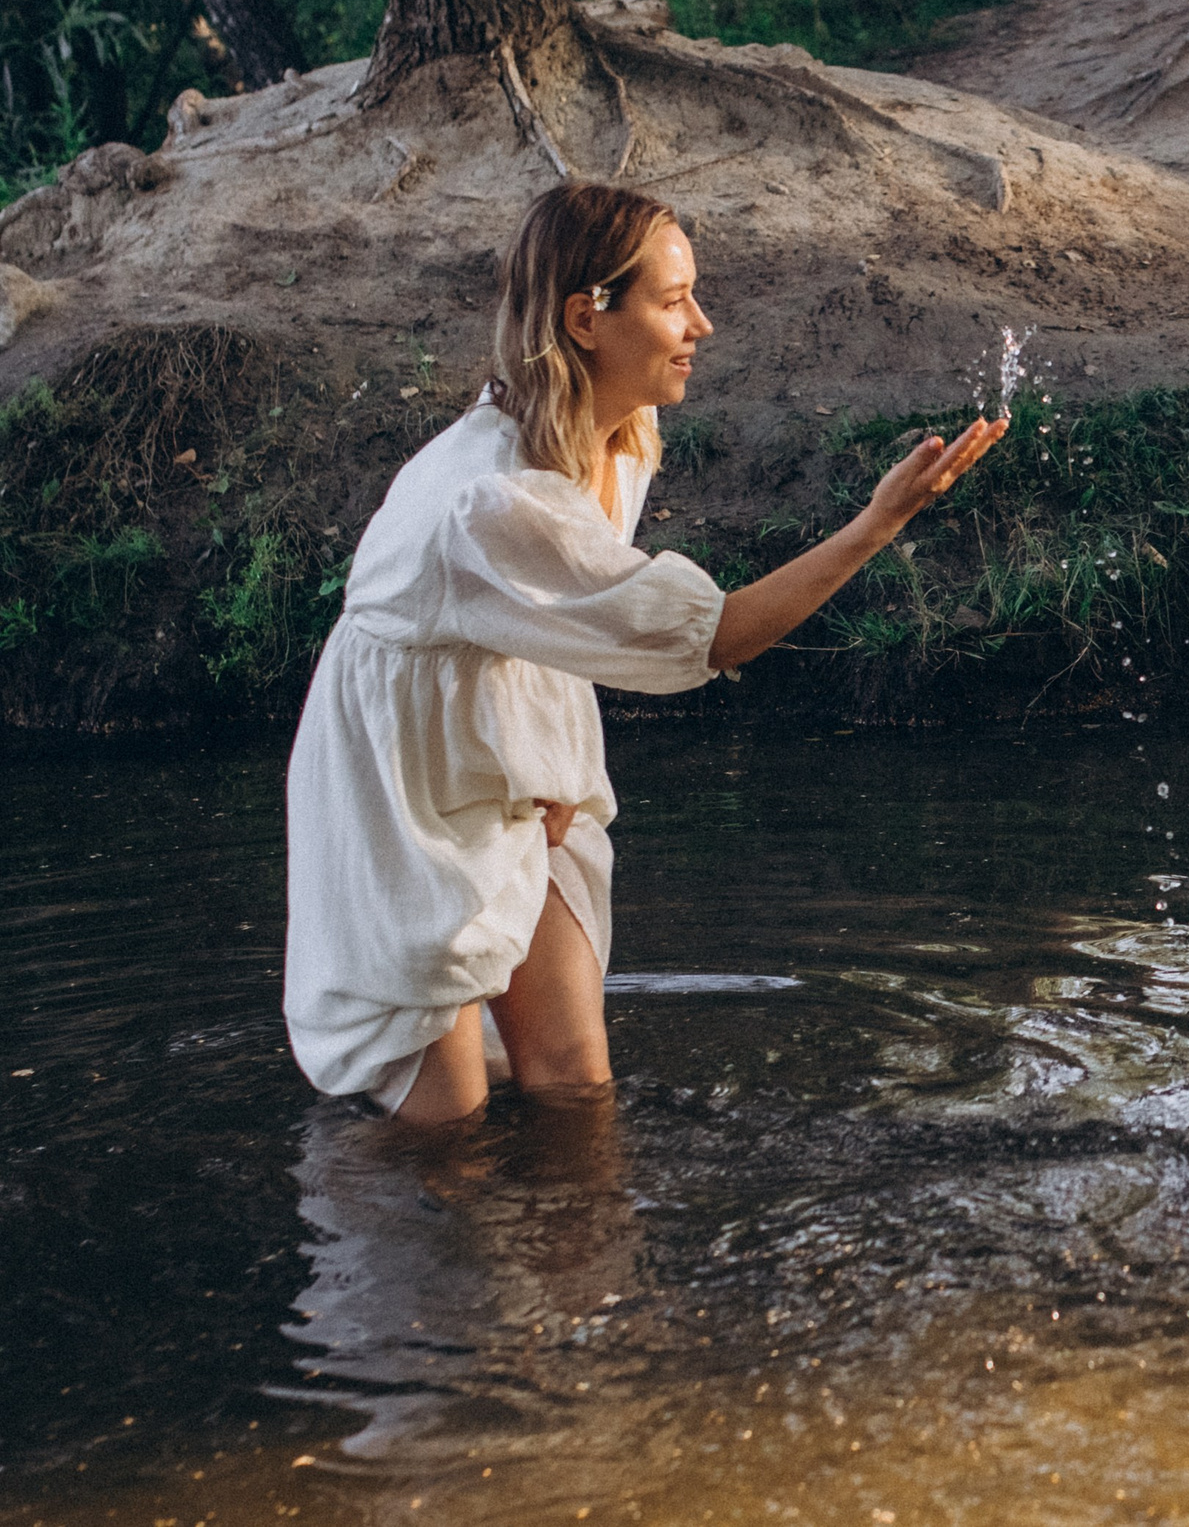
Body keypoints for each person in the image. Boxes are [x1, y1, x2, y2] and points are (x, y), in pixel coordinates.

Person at [283, 183, 1003, 1127]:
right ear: (587, 319)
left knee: (576, 1084)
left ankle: (589, 1231)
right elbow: (715, 635)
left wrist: (540, 767)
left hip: (497, 755)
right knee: (446, 1131)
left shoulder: (619, 436)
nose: (702, 323)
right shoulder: (490, 500)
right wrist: (876, 524)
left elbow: (545, 622)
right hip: (404, 798)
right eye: (673, 301)